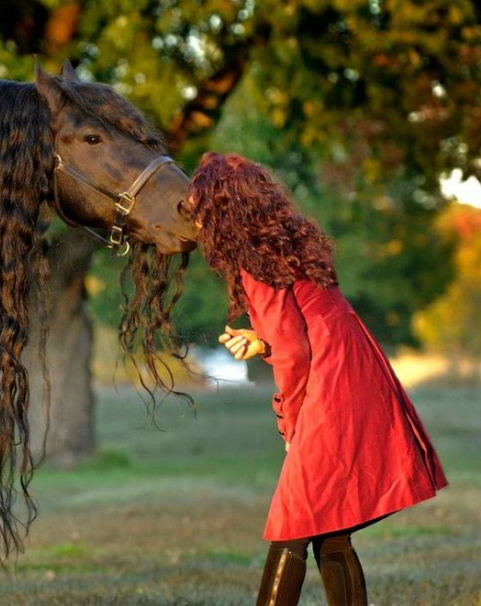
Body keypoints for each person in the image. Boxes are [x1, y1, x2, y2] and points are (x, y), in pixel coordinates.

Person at [187, 152, 448, 606]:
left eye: (199, 209)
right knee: (330, 527)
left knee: (294, 520)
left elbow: (295, 350)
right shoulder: (284, 246)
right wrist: (262, 343)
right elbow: (300, 328)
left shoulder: (255, 263)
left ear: (220, 211)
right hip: (354, 372)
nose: (194, 220)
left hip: (333, 386)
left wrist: (290, 425)